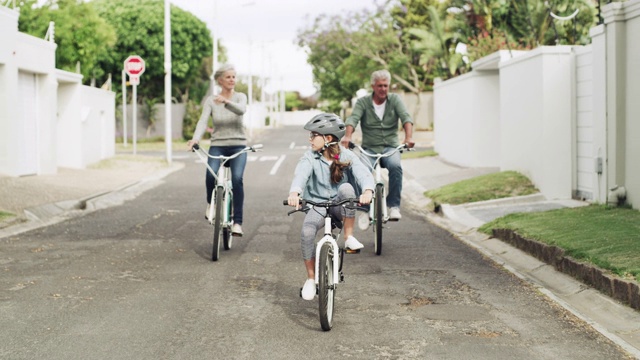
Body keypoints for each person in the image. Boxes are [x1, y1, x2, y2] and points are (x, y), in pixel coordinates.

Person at [287, 113, 375, 301]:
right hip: (317, 206)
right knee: (307, 232)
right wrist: (295, 193)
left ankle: (349, 236)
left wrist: (368, 191)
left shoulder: (346, 155)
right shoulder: (309, 157)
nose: (310, 139)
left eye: (313, 135)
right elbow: (300, 175)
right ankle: (311, 279)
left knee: (347, 188)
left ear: (327, 138)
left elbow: (363, 174)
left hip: (339, 206)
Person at [342, 69, 415, 221]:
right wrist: (348, 136)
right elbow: (353, 119)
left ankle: (394, 206)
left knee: (396, 166)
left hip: (390, 147)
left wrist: (408, 138)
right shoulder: (363, 102)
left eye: (386, 86)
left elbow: (406, 118)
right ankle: (364, 207)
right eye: (380, 86)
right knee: (359, 169)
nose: (383, 89)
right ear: (373, 86)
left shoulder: (395, 100)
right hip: (369, 149)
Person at [187, 63, 248, 236]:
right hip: (218, 145)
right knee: (210, 174)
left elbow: (241, 110)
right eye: (228, 77)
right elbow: (202, 121)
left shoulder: (240, 97)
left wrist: (226, 102)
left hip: (238, 145)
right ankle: (211, 204)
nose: (232, 80)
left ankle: (237, 222)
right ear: (220, 80)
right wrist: (195, 139)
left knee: (237, 179)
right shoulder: (211, 101)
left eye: (234, 77)